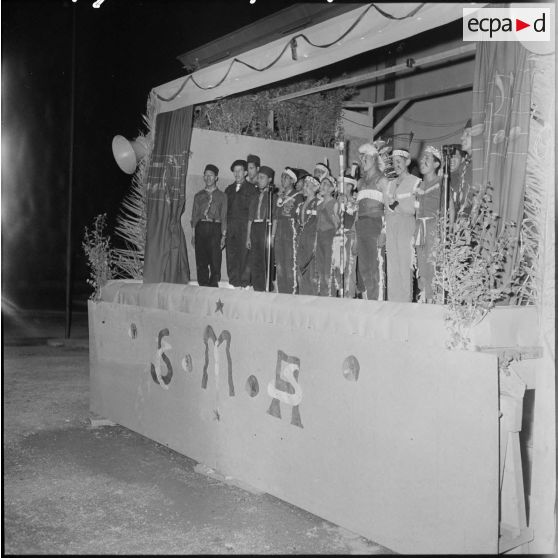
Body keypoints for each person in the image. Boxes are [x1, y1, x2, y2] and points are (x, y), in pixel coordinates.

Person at [354, 142, 389, 301]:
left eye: (366, 157)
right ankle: (368, 303)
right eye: (361, 158)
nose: (363, 161)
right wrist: (355, 237)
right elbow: (357, 211)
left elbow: (390, 209)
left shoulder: (382, 180)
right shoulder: (360, 183)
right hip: (361, 227)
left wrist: (384, 232)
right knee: (364, 269)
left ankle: (379, 304)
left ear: (375, 158)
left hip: (376, 225)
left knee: (376, 269)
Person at [384, 148, 419, 303]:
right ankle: (393, 304)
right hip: (391, 228)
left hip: (406, 227)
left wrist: (396, 205)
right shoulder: (390, 184)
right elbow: (386, 209)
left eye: (399, 161)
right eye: (394, 161)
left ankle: (405, 304)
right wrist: (397, 205)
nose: (396, 164)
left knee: (405, 267)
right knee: (392, 268)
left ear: (408, 162)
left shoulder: (416, 182)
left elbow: (413, 208)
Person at [190, 164, 227, 287]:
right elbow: (194, 217)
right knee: (201, 261)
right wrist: (193, 234)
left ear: (216, 177)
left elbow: (224, 217)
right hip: (201, 228)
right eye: (205, 175)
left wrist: (223, 236)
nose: (208, 178)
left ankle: (213, 287)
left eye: (211, 175)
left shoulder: (222, 196)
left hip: (215, 228)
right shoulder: (198, 195)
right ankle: (203, 287)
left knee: (215, 261)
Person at [415, 146, 442, 303]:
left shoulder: (441, 182)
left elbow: (449, 208)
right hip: (420, 229)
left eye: (427, 158)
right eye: (422, 158)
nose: (422, 161)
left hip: (434, 229)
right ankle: (425, 301)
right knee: (422, 268)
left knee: (433, 268)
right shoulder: (419, 186)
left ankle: (436, 302)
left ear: (436, 164)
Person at [225, 159, 257, 288]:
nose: (237, 173)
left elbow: (253, 213)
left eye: (240, 171)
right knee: (231, 256)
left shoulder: (251, 189)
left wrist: (250, 234)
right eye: (235, 171)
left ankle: (245, 284)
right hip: (231, 228)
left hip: (244, 228)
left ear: (245, 173)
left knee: (245, 256)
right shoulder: (228, 190)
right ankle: (234, 283)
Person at [271, 167, 304, 294]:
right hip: (279, 233)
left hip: (291, 234)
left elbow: (299, 219)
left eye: (286, 177)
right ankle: (283, 295)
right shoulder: (279, 198)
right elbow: (275, 217)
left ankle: (292, 295)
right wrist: (273, 236)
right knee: (279, 266)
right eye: (282, 177)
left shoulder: (298, 196)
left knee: (290, 267)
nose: (282, 180)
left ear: (292, 180)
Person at [246, 166, 275, 292]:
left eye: (262, 178)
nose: (259, 180)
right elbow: (250, 219)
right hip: (255, 228)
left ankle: (266, 287)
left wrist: (272, 236)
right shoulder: (254, 196)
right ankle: (257, 287)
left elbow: (275, 219)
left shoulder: (273, 197)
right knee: (255, 259)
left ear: (270, 179)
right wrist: (248, 237)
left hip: (266, 228)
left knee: (265, 259)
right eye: (258, 178)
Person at [296, 176, 320, 296]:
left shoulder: (318, 203)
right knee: (300, 271)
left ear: (315, 188)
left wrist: (316, 242)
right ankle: (302, 299)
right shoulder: (301, 205)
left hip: (312, 239)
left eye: (307, 186)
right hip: (301, 239)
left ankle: (314, 301)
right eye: (304, 185)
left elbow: (320, 224)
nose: (304, 188)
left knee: (312, 272)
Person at [316, 176, 340, 296]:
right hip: (319, 237)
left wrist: (334, 216)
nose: (322, 186)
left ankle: (330, 295)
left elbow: (337, 224)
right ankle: (323, 293)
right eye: (322, 183)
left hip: (329, 237)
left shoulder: (334, 203)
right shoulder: (319, 204)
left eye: (326, 184)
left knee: (328, 269)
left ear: (332, 188)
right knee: (320, 268)